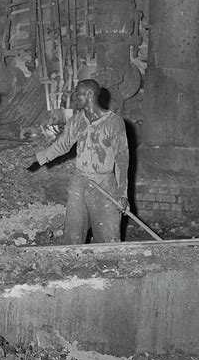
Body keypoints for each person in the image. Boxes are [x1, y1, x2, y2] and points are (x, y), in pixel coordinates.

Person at [25, 79, 129, 244]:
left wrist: (122, 194)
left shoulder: (114, 122)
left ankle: (108, 265)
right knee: (73, 231)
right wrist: (38, 158)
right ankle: (73, 263)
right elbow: (62, 145)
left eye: (78, 93)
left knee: (107, 235)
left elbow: (122, 160)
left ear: (89, 94)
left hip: (104, 182)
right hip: (80, 181)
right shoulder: (76, 120)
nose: (74, 97)